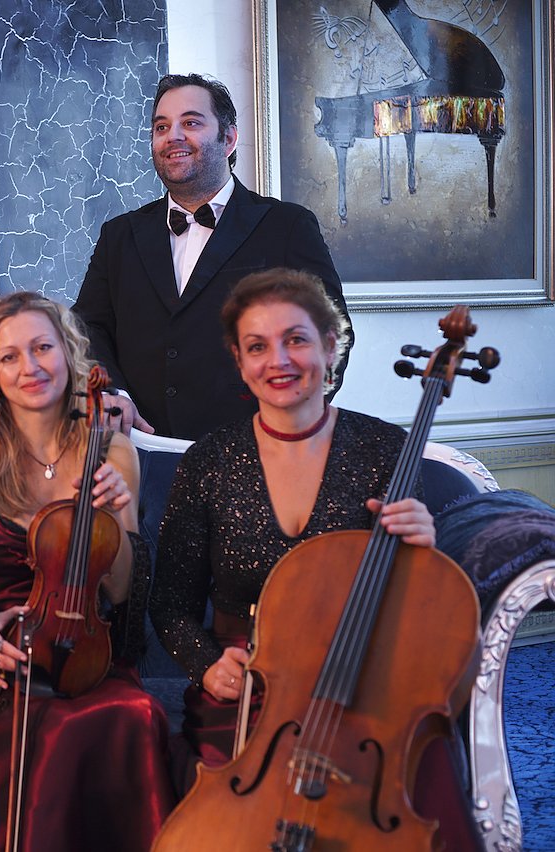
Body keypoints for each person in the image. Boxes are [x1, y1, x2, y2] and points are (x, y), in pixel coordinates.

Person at [149, 268, 481, 849]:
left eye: (296, 339)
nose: (278, 360)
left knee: (422, 776)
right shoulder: (209, 462)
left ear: (330, 347)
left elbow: (417, 615)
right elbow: (171, 604)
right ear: (239, 361)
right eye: (258, 346)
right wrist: (207, 664)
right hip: (253, 691)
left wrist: (422, 549)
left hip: (363, 688)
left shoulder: (385, 450)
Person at [0, 292, 175, 851]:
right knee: (50, 728)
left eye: (42, 348)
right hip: (4, 664)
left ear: (68, 354)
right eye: (10, 356)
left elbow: (124, 593)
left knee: (134, 711)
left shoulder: (113, 451)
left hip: (89, 654)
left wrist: (115, 513)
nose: (30, 367)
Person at [73, 73, 351, 441]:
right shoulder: (119, 235)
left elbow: (332, 334)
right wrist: (110, 391)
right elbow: (87, 328)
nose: (172, 136)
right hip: (141, 449)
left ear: (229, 138)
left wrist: (286, 426)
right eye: (161, 127)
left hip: (253, 451)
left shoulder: (287, 225)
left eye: (190, 123)